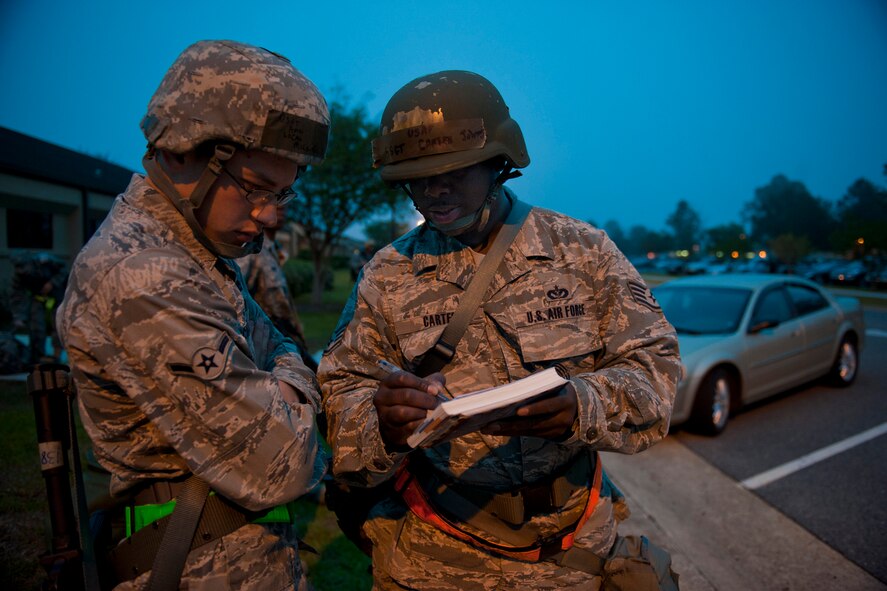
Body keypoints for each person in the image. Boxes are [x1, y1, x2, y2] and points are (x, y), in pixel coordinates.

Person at [319, 71, 681, 590]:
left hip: (571, 549)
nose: (434, 191)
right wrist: (383, 423)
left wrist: (582, 405)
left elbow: (655, 370)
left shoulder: (582, 252)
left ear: (499, 163)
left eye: (453, 172)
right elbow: (341, 398)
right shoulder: (387, 275)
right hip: (436, 555)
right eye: (417, 179)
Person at [56, 40, 330, 590]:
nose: (270, 216)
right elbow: (284, 462)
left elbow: (280, 345)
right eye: (255, 189)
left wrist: (282, 382)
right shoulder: (145, 275)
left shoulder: (195, 254)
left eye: (283, 194)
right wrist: (296, 386)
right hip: (191, 566)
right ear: (182, 151)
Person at [238, 203, 318, 372]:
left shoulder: (274, 249)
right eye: (275, 204)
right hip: (267, 356)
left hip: (288, 346)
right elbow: (235, 297)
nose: (281, 210)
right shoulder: (251, 250)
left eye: (284, 206)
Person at [10, 251, 68, 366]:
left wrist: (52, 283)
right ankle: (38, 356)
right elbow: (17, 296)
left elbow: (64, 269)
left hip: (57, 295)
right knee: (36, 325)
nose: (22, 270)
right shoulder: (19, 276)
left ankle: (56, 355)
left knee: (57, 325)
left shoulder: (44, 261)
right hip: (38, 297)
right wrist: (18, 317)